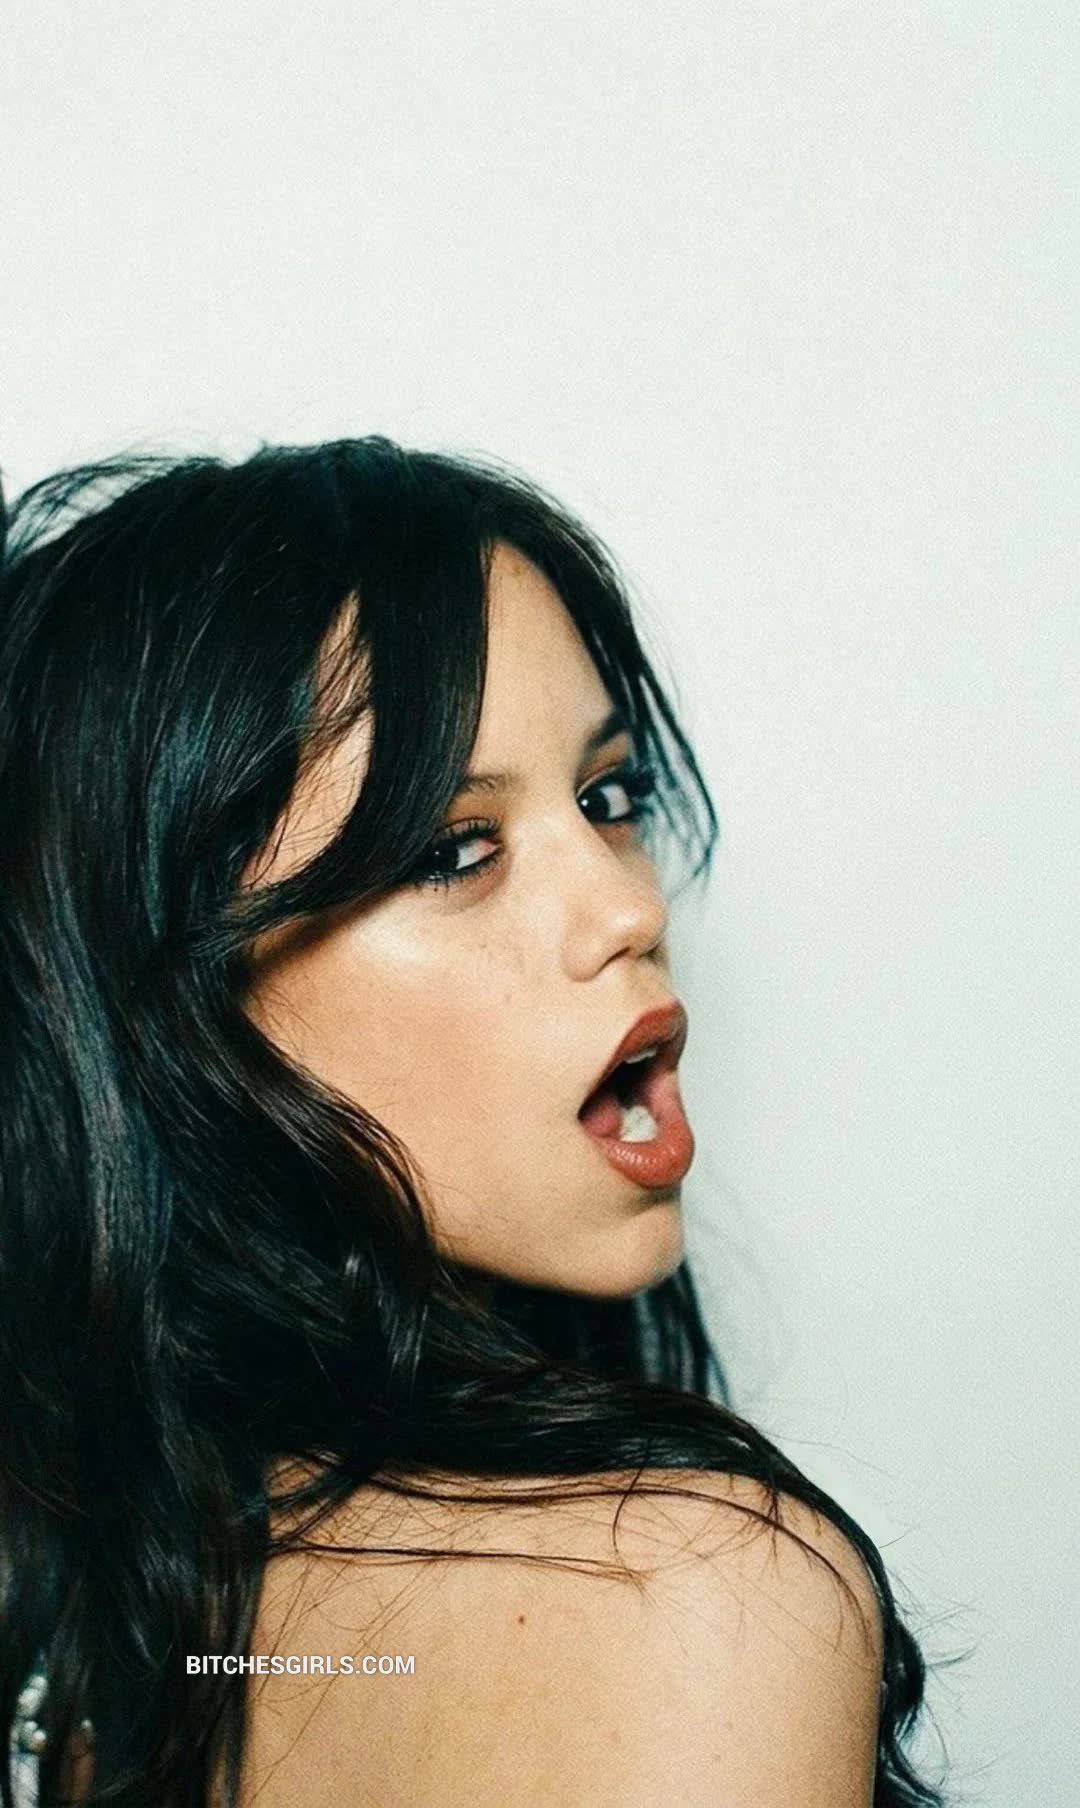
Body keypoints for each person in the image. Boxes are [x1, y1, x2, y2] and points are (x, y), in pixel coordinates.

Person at [0, 436, 944, 1807]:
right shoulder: (686, 1592)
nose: (631, 907)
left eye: (608, 798)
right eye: (453, 850)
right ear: (180, 1012)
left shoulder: (142, 1648)